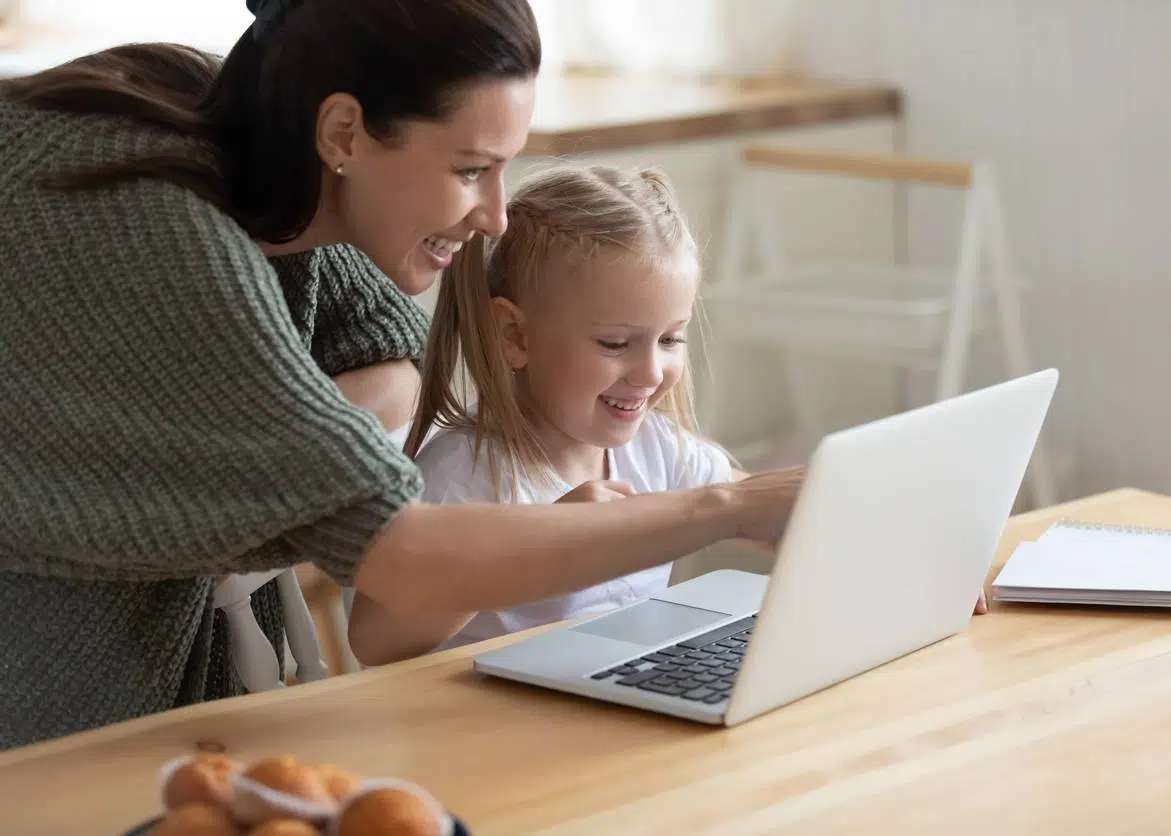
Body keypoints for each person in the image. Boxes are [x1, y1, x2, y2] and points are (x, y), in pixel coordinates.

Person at [0, 0, 801, 751]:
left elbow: (388, 352)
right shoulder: (160, 233)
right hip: (46, 718)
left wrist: (297, 448)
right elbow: (402, 560)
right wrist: (726, 508)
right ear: (344, 132)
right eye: (470, 170)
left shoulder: (273, 158)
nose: (495, 215)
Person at [409, 164, 757, 650]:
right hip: (496, 721)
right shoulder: (462, 477)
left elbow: (752, 503)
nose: (652, 373)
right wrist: (545, 542)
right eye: (615, 344)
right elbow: (379, 640)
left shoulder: (657, 448)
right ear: (515, 336)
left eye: (670, 338)